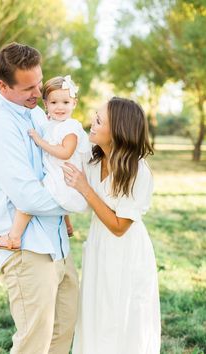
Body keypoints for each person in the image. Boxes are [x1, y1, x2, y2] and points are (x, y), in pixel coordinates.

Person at [0, 42, 79, 354]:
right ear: (3, 85)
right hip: (27, 251)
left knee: (61, 336)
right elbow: (28, 196)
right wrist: (81, 200)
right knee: (33, 344)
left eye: (39, 82)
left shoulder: (34, 114)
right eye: (28, 88)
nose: (38, 92)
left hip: (58, 243)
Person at [63, 97, 161, 354]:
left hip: (126, 251)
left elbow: (119, 227)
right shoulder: (94, 160)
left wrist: (84, 188)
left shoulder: (137, 170)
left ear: (117, 130)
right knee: (97, 313)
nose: (91, 124)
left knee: (123, 316)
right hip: (99, 245)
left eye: (98, 120)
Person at [0, 75, 90, 250]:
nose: (59, 107)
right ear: (46, 104)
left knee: (27, 202)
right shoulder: (51, 123)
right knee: (39, 189)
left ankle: (14, 237)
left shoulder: (70, 128)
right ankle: (67, 224)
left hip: (65, 177)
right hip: (56, 173)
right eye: (54, 102)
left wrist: (40, 141)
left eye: (65, 102)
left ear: (74, 103)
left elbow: (66, 153)